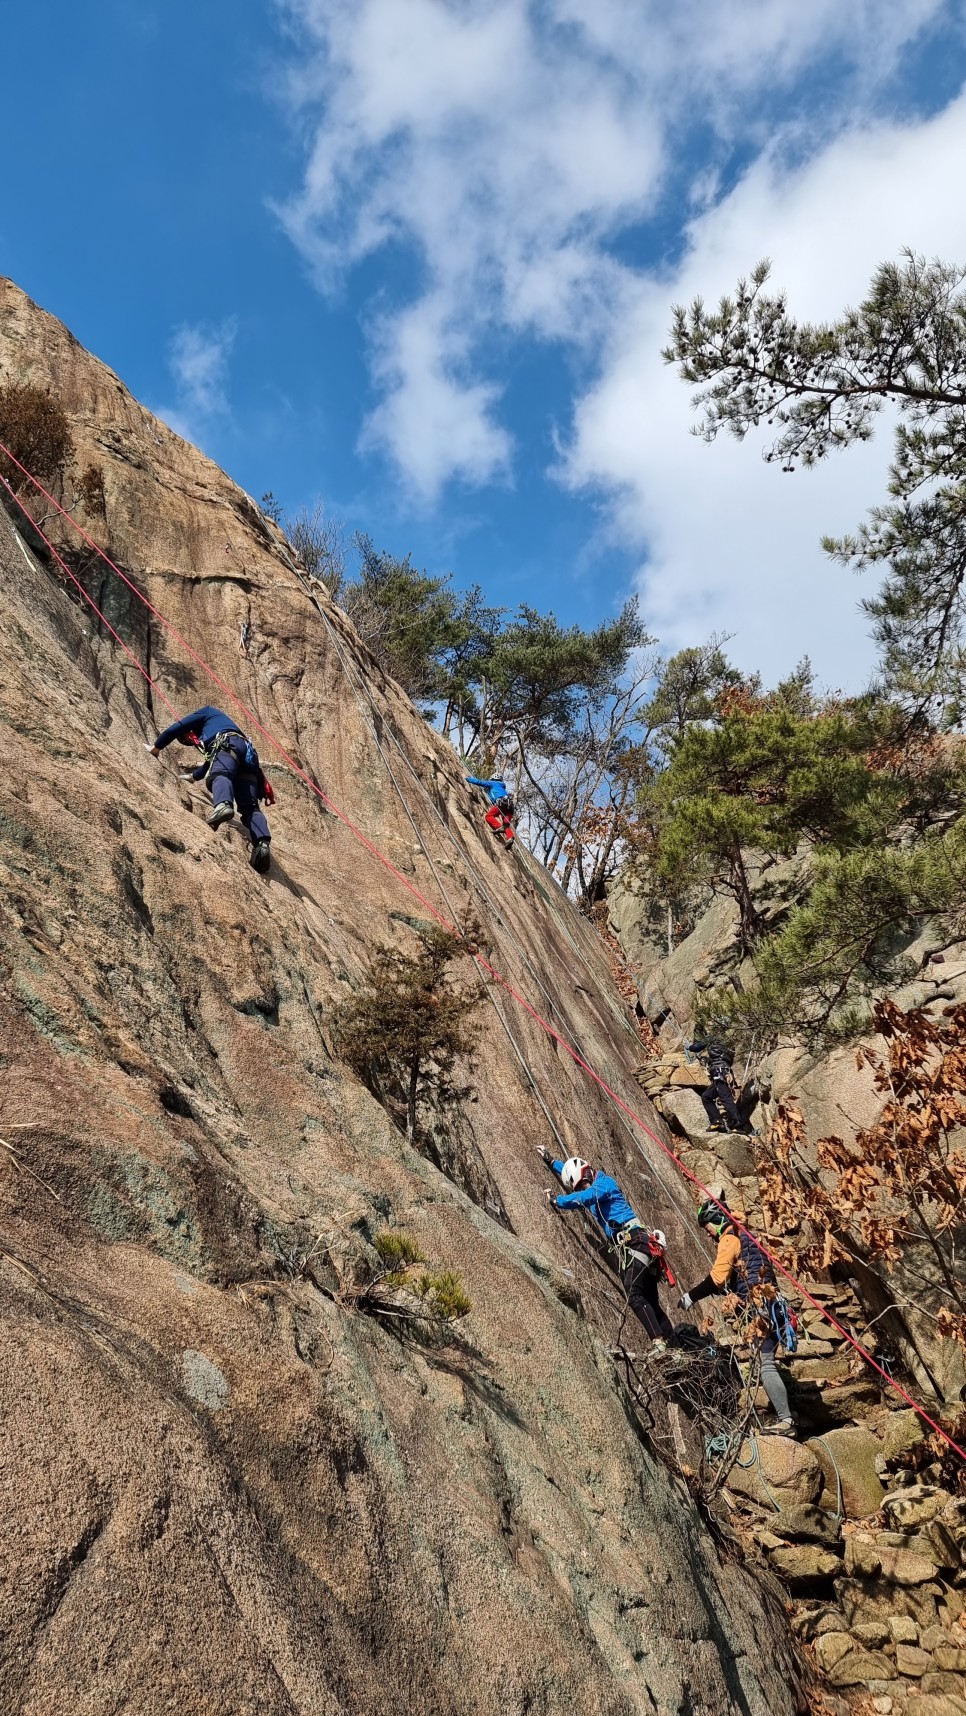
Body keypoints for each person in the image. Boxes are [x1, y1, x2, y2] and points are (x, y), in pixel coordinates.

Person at [536, 1149, 676, 1349]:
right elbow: (577, 1179)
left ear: (588, 1174)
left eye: (584, 1183)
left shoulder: (604, 1183)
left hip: (637, 1241)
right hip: (638, 1246)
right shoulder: (590, 1182)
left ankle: (659, 1342)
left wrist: (557, 1201)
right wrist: (552, 1162)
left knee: (634, 1293)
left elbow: (584, 1196)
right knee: (650, 1302)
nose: (583, 1186)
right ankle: (674, 1347)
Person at [678, 1199, 796, 1435]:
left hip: (759, 1307)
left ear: (716, 1221)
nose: (709, 1234)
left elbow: (717, 1279)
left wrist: (690, 1297)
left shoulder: (729, 1239)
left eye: (708, 1227)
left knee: (767, 1366)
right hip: (772, 1304)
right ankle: (783, 1418)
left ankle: (786, 1421)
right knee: (766, 1363)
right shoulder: (747, 1238)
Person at [148, 705, 275, 874]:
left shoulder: (206, 712)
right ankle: (262, 844)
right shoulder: (221, 724)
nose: (189, 740)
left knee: (219, 775)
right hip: (248, 756)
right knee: (250, 807)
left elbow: (176, 728)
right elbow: (214, 761)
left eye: (186, 738)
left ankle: (222, 805)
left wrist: (155, 748)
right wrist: (193, 777)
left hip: (228, 745)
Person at [688, 1033, 753, 1134]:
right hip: (722, 1071)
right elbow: (724, 1058)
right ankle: (717, 1121)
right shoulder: (730, 1042)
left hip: (719, 1072)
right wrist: (709, 1060)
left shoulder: (714, 1036)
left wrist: (689, 1047)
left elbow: (697, 1047)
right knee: (707, 1096)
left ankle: (738, 1125)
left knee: (725, 1098)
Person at [466, 775, 516, 847]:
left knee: (488, 816)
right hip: (510, 807)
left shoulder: (494, 783)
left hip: (502, 803)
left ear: (493, 779)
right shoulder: (502, 787)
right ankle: (510, 837)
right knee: (505, 824)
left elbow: (480, 782)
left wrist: (468, 779)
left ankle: (499, 827)